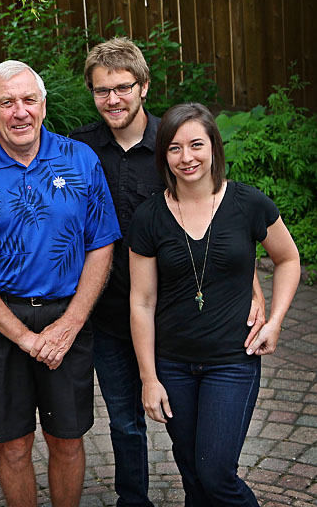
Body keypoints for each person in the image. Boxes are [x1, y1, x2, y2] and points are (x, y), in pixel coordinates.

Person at [70, 38, 266, 507]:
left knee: (194, 439)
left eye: (122, 87)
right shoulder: (76, 150)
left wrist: (253, 289)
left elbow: (224, 225)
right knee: (125, 419)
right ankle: (133, 500)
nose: (112, 99)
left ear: (143, 88)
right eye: (102, 91)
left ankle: (202, 491)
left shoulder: (175, 145)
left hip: (178, 318)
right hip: (112, 310)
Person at [0, 60, 121, 507]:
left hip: (68, 317)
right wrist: (23, 336)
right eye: (7, 102)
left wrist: (72, 323)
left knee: (66, 439)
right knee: (14, 444)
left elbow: (101, 244)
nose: (19, 111)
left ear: (43, 105)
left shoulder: (80, 159)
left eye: (28, 100)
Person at [129, 102, 299, 506]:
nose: (186, 158)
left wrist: (274, 320)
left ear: (214, 148)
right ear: (163, 155)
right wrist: (149, 378)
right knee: (192, 475)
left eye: (196, 145)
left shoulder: (249, 204)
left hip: (232, 362)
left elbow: (288, 259)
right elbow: (141, 300)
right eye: (174, 148)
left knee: (216, 473)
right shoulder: (149, 216)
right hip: (173, 365)